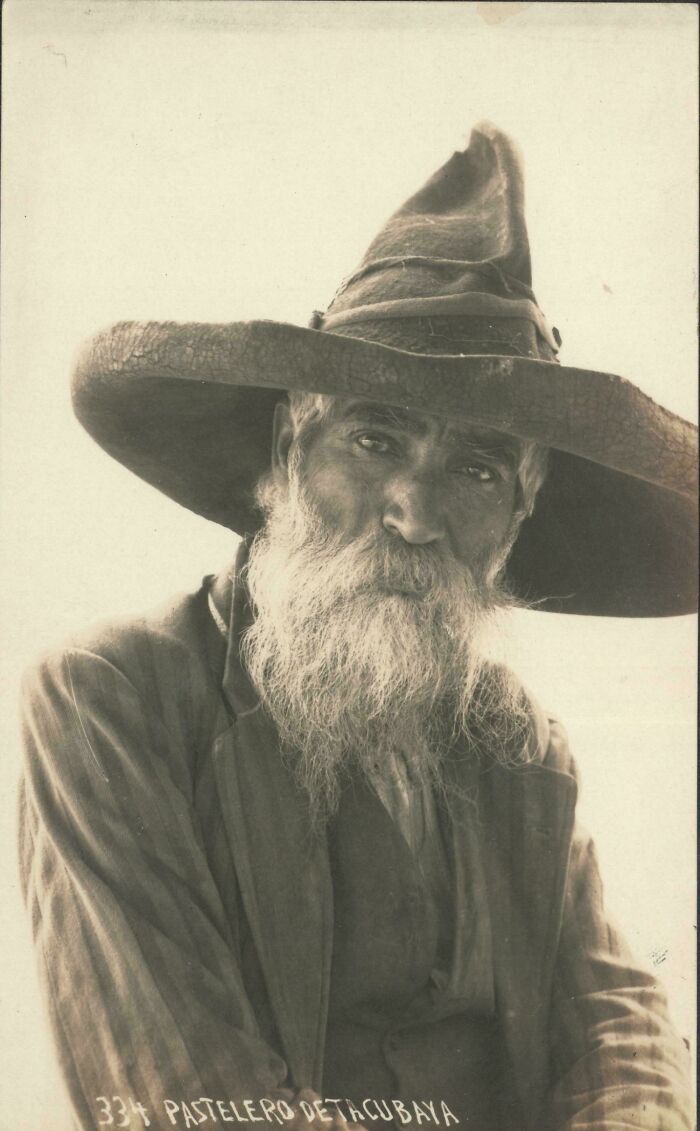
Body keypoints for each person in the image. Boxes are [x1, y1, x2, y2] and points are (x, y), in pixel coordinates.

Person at [19, 123, 696, 1131]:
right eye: (373, 438)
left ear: (516, 519)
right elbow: (185, 1101)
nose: (414, 514)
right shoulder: (111, 699)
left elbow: (615, 1013)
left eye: (475, 471)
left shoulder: (515, 739)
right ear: (288, 445)